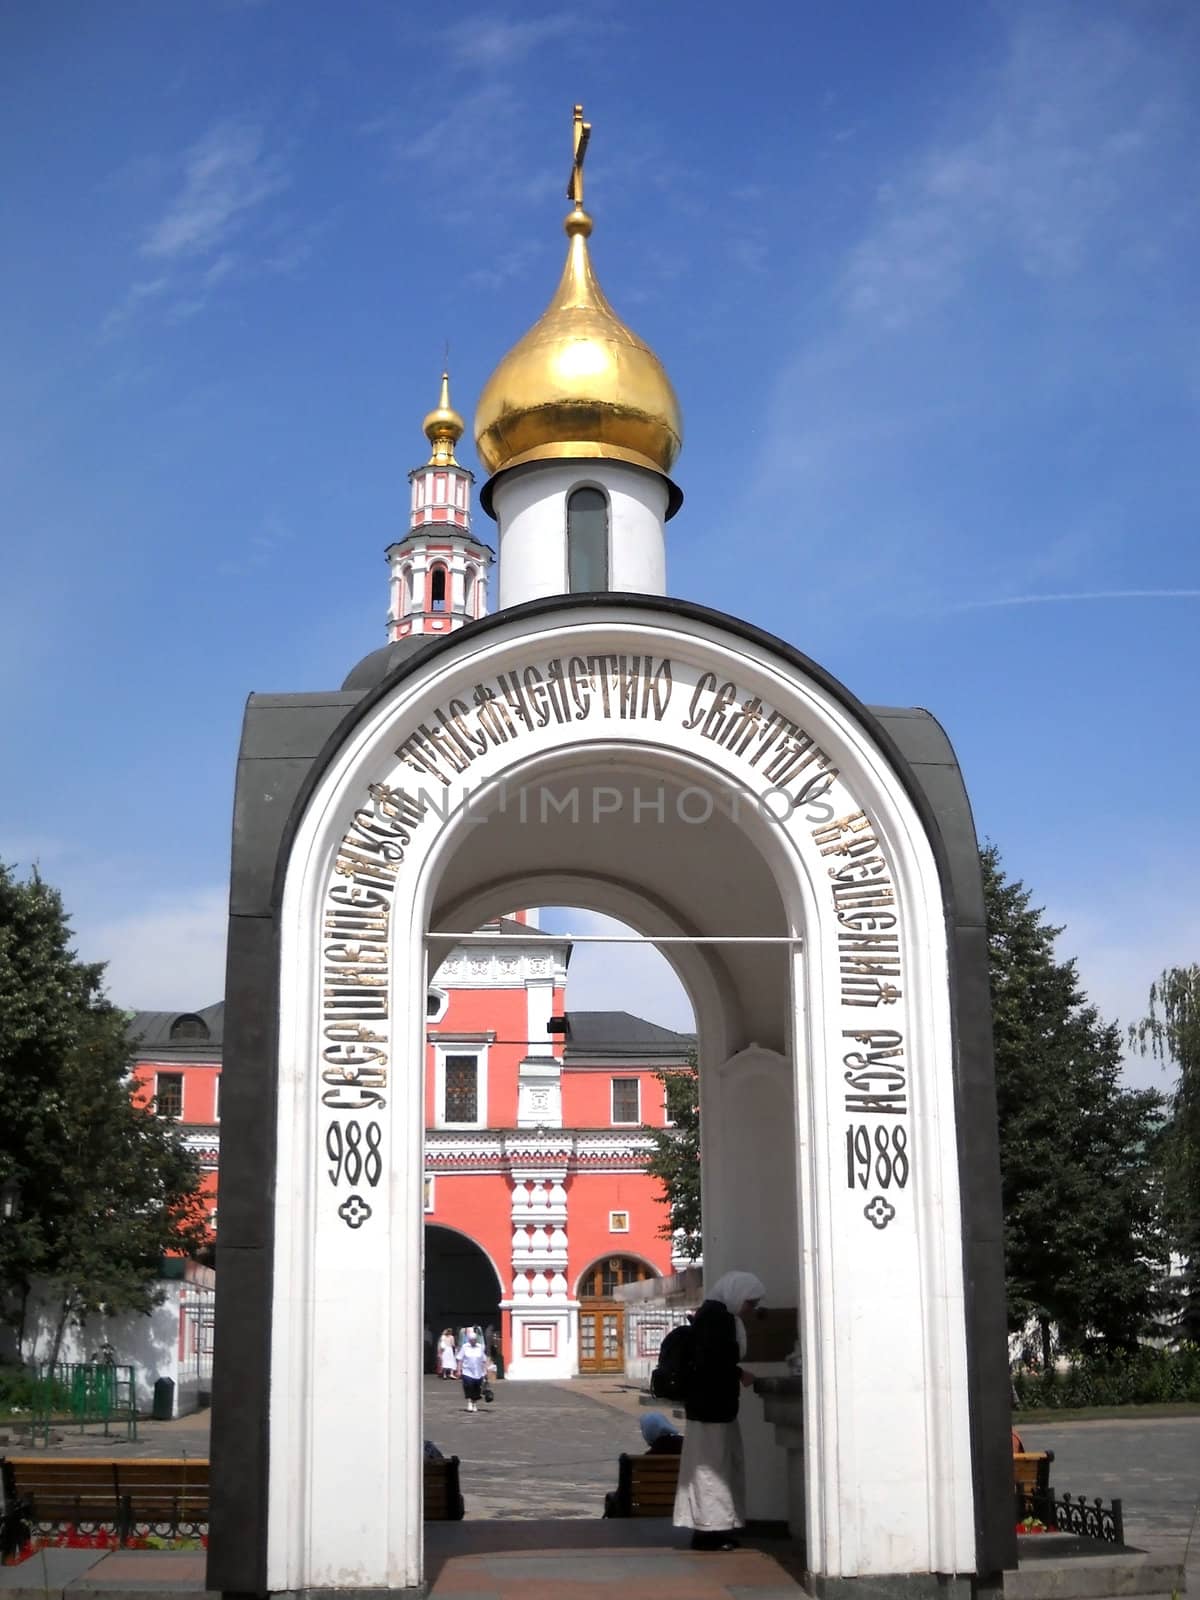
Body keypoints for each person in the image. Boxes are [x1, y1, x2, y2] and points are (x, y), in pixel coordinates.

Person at [673, 1269, 765, 1552]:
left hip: (713, 1407)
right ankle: (709, 1532)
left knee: (717, 1466)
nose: (752, 1309)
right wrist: (738, 1373)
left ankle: (715, 1528)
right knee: (711, 1469)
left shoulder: (716, 1315)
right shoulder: (718, 1319)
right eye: (751, 1302)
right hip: (711, 1407)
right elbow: (713, 1362)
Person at [456, 1327, 488, 1412]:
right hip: (467, 1371)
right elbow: (460, 1359)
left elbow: (484, 1360)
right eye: (472, 1339)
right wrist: (459, 1370)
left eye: (475, 1339)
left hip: (478, 1372)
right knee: (469, 1386)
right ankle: (469, 1402)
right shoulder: (465, 1347)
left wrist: (485, 1371)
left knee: (476, 1389)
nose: (474, 1341)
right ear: (469, 1340)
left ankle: (475, 1403)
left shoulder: (480, 1347)